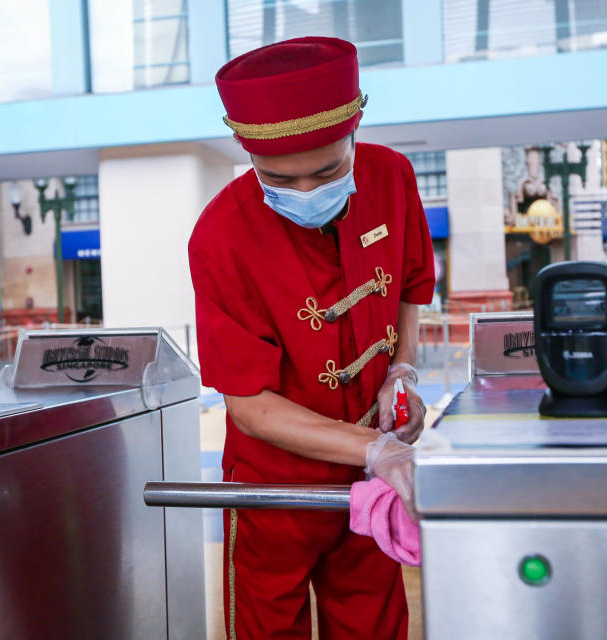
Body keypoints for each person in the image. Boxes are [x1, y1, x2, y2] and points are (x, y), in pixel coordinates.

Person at [188, 36, 436, 640]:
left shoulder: (391, 176)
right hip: (274, 490)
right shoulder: (220, 236)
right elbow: (248, 406)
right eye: (278, 179)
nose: (304, 194)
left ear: (355, 129)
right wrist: (373, 450)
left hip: (370, 484)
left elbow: (407, 285)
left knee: (376, 624)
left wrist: (400, 371)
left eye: (326, 172)